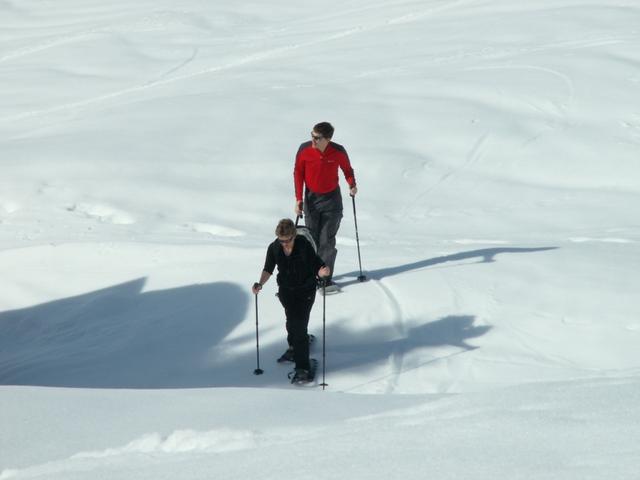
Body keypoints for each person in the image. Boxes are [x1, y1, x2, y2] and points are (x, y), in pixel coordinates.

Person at [252, 218, 330, 382]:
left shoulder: (303, 245)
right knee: (291, 321)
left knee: (299, 325)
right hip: (286, 292)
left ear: (294, 236)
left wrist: (322, 272)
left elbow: (317, 263)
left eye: (287, 240)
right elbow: (268, 269)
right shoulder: (274, 248)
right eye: (282, 241)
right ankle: (294, 346)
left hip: (305, 291)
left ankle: (303, 367)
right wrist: (260, 284)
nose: (284, 244)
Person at [294, 122, 357, 291]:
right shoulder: (304, 150)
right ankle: (311, 274)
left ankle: (325, 279)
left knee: (326, 241)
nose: (313, 140)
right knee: (312, 240)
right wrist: (298, 198)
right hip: (311, 200)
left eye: (317, 138)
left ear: (328, 139)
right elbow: (298, 173)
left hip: (332, 200)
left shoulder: (338, 151)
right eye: (312, 136)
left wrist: (351, 184)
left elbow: (347, 170)